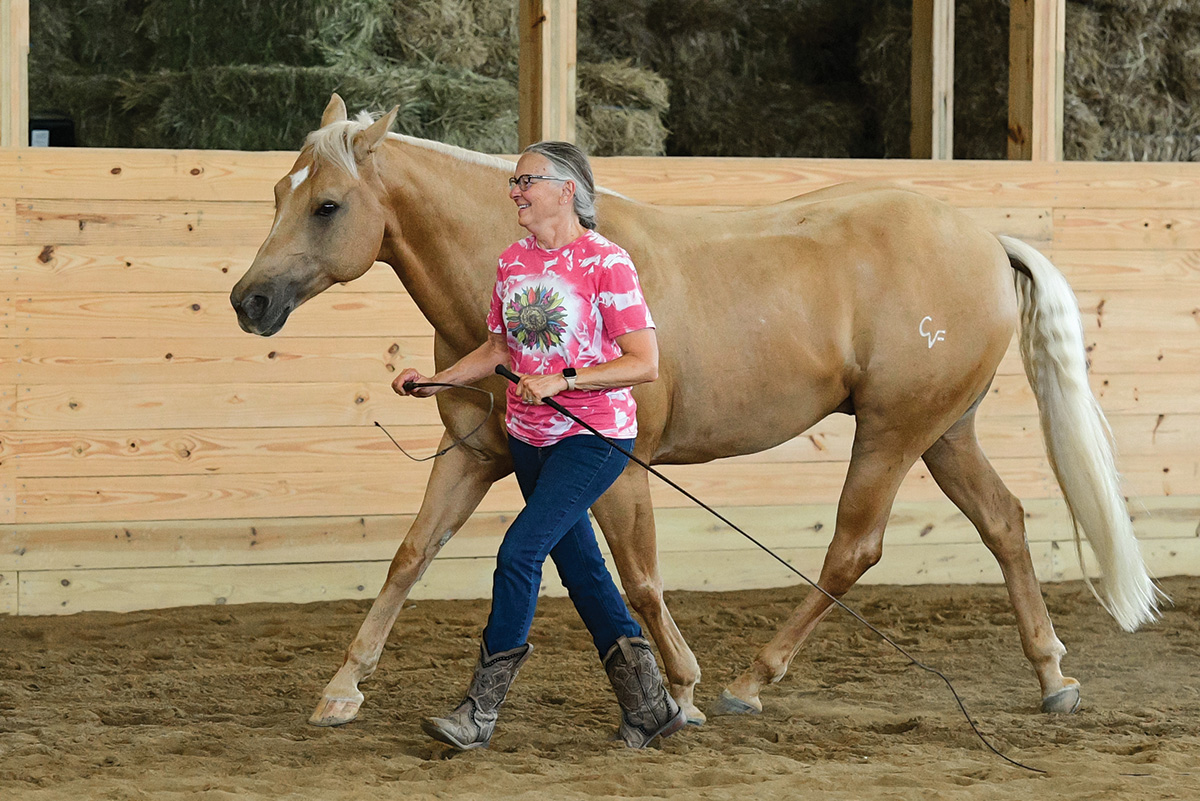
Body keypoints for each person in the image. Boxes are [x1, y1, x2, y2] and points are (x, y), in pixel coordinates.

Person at [393, 141, 686, 751]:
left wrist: (564, 379)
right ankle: (650, 705)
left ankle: (480, 710)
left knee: (519, 552)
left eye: (526, 181)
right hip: (530, 439)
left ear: (566, 189)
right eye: (513, 182)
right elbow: (499, 349)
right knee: (582, 572)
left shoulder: (608, 263)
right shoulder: (511, 263)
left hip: (596, 437)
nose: (515, 192)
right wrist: (434, 381)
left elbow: (645, 363)